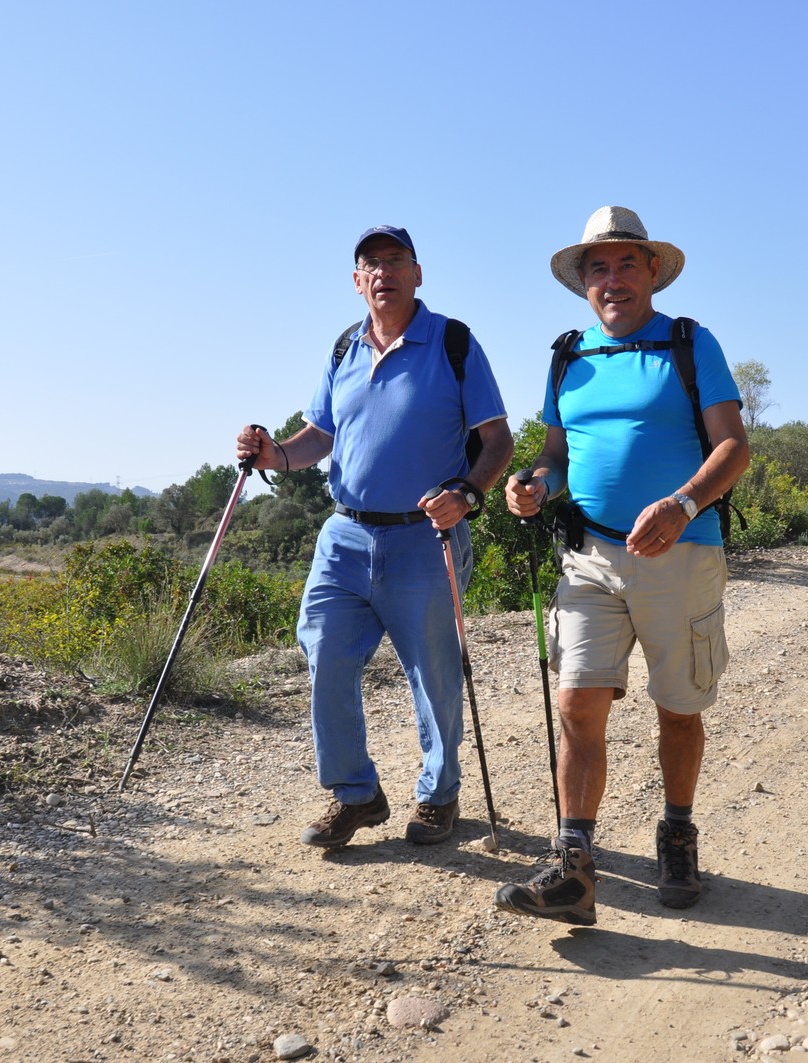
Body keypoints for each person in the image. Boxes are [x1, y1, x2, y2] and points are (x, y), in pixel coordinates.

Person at [495, 206, 749, 925]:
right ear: (583, 283)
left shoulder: (689, 343)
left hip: (682, 551)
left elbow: (733, 447)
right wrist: (533, 485)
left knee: (679, 707)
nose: (613, 280)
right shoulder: (566, 357)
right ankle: (573, 868)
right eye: (598, 268)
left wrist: (683, 504)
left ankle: (677, 834)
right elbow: (555, 456)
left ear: (652, 272)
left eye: (626, 264)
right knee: (577, 704)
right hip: (588, 559)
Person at [236, 225, 513, 849]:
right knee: (326, 654)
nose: (383, 271)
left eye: (395, 260)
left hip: (427, 537)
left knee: (434, 675)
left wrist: (468, 494)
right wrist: (274, 454)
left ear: (418, 273)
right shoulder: (344, 349)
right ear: (357, 281)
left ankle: (439, 795)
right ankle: (355, 794)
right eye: (371, 263)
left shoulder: (453, 342)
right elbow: (318, 436)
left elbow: (497, 440)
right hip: (345, 537)